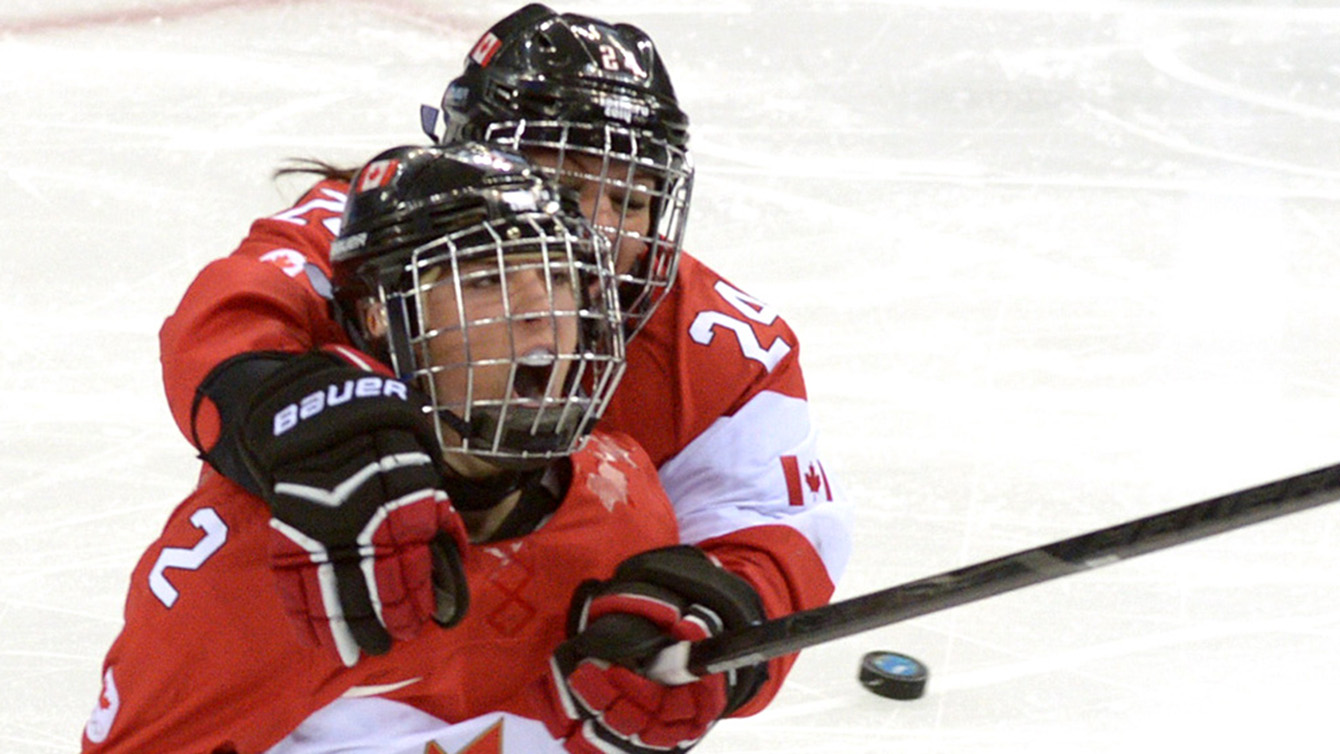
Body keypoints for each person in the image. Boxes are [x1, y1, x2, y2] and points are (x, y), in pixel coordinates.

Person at [156, 0, 850, 731]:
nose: (605, 233)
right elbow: (228, 322)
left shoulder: (721, 348)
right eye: (570, 186)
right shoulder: (383, 244)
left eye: (633, 198)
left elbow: (771, 525)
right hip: (328, 660)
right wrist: (309, 423)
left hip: (546, 678)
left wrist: (719, 606)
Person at [85, 142, 771, 753]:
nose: (541, 310)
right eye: (485, 280)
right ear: (384, 315)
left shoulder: (624, 502)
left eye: (561, 277)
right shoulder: (266, 554)